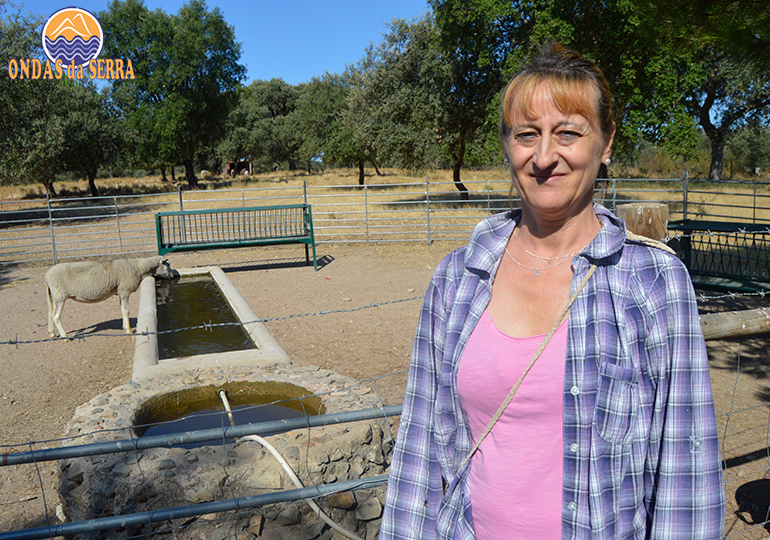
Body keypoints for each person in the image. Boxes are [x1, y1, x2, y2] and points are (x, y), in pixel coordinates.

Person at [380, 43, 725, 540]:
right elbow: (419, 449)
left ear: (606, 143)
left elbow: (684, 477)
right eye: (527, 134)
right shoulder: (457, 279)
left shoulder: (653, 283)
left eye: (568, 133)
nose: (544, 157)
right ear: (507, 145)